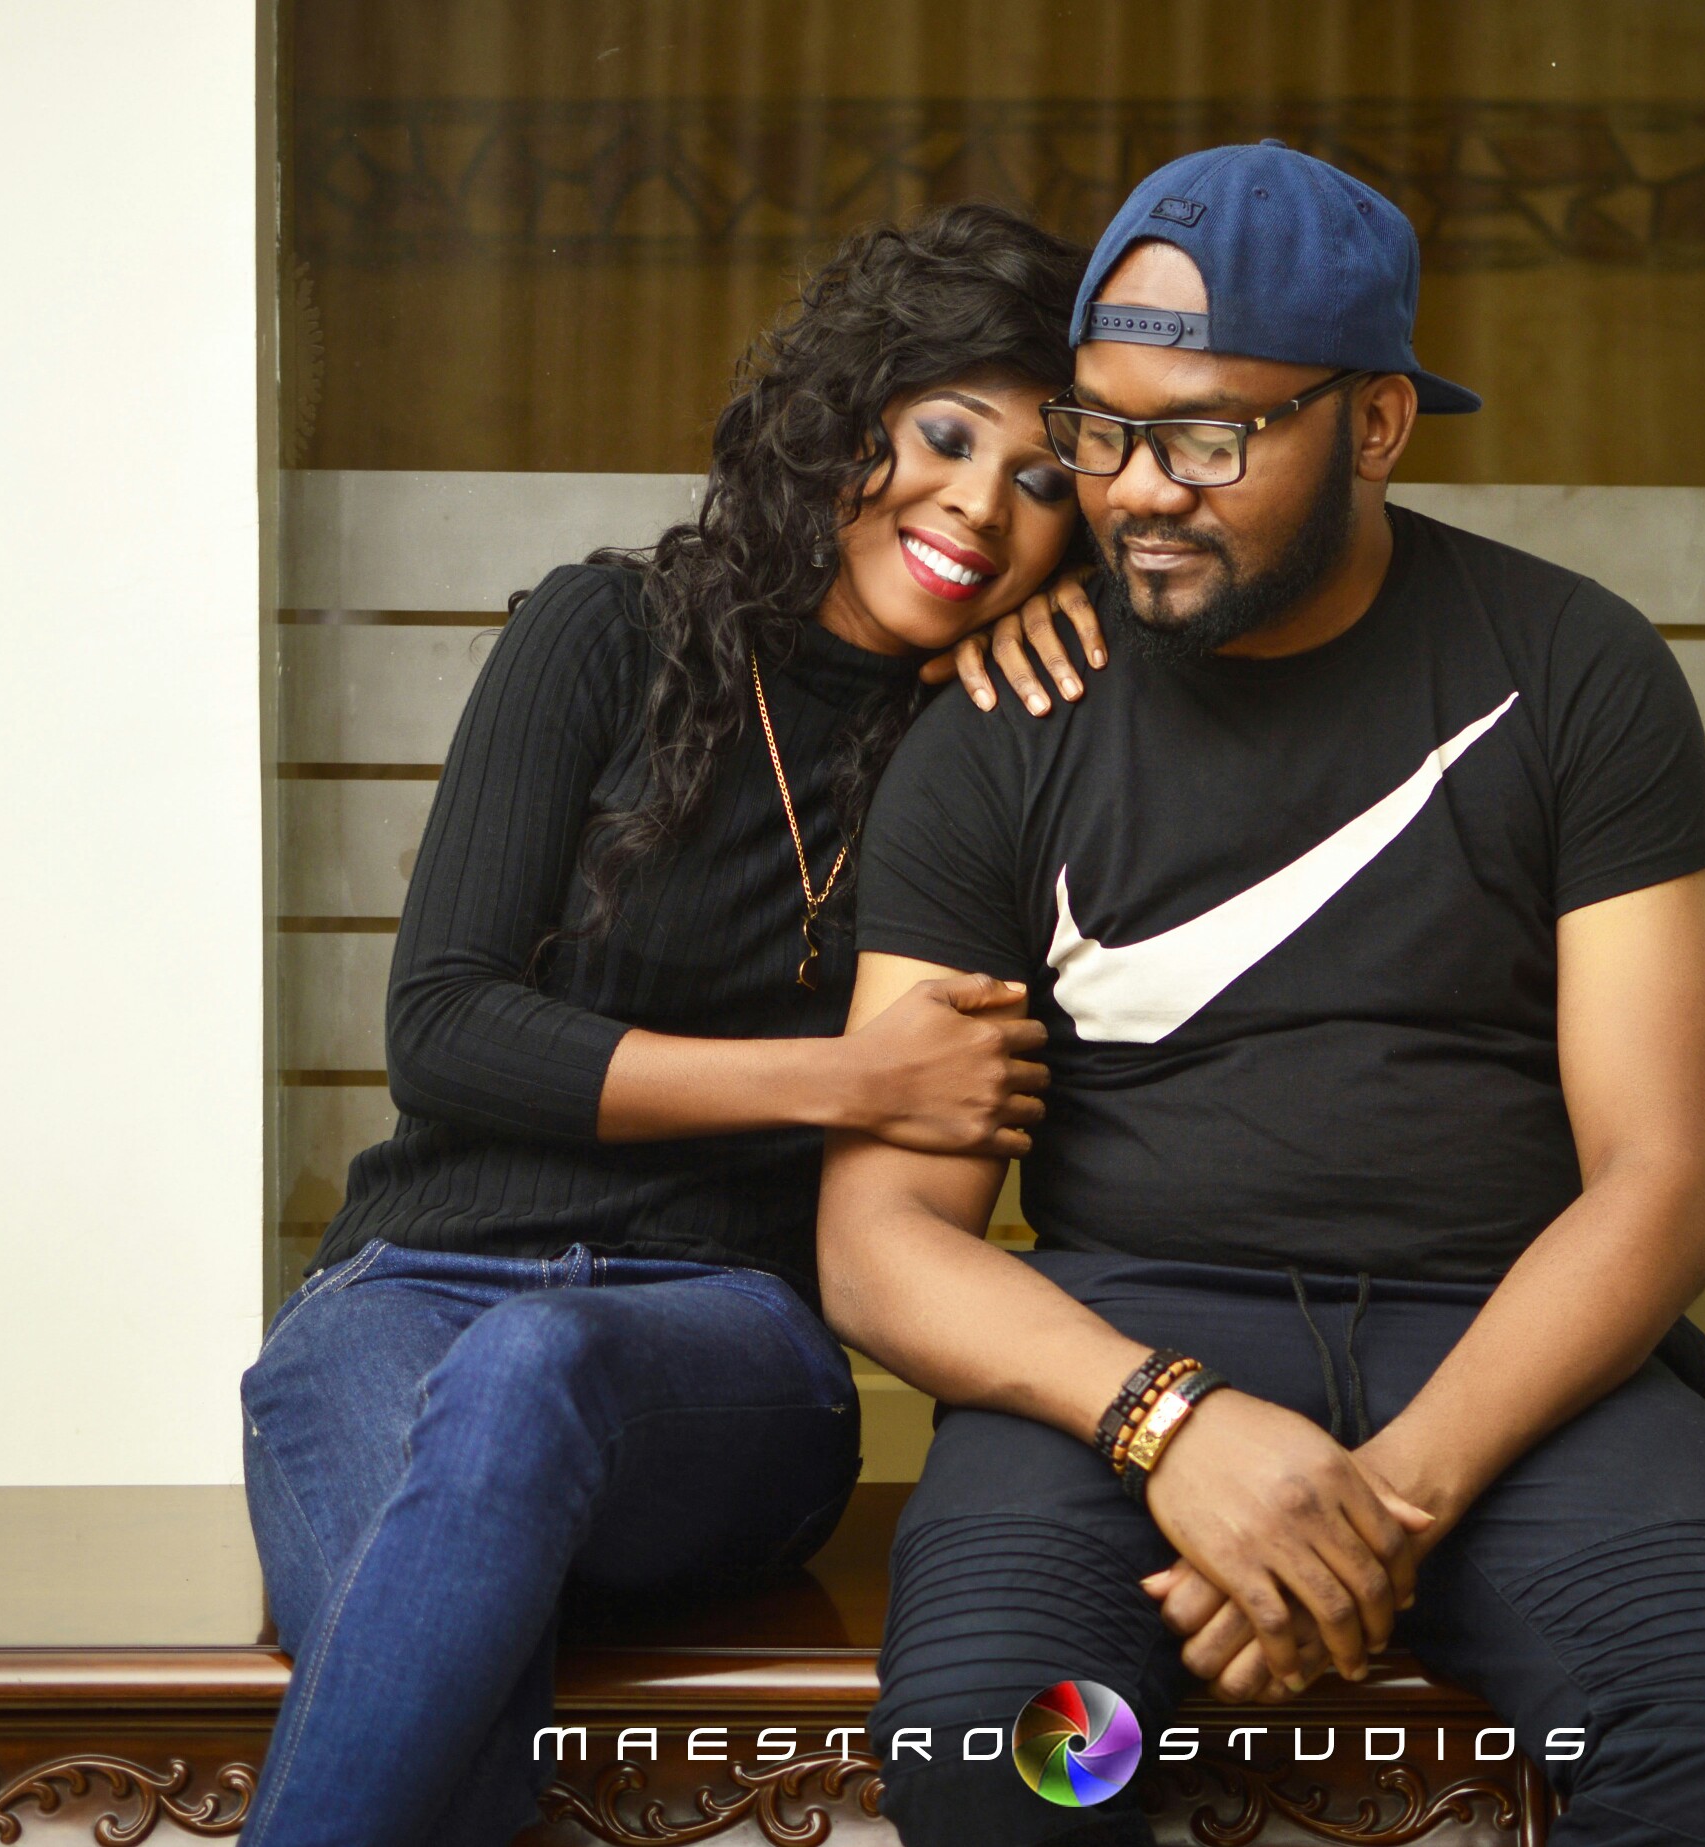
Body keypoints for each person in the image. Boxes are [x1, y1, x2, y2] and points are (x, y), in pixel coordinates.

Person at [820, 145, 1705, 1847]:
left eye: (1207, 438)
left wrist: (1373, 1504)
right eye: (1103, 428)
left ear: (1373, 424)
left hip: (1511, 1349)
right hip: (1122, 1349)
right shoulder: (1005, 723)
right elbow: (880, 1242)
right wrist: (1173, 1428)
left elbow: (1663, 1181)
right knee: (1004, 1762)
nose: (1137, 492)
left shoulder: (1571, 668)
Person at [236, 203, 1101, 1847]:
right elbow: (444, 1028)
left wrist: (1105, 649)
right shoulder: (601, 634)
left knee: (532, 1371)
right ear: (844, 418)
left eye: (1045, 481)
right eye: (945, 436)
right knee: (436, 1638)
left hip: (723, 1349)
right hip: (402, 1297)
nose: (981, 506)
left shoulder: (998, 744)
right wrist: (847, 1078)